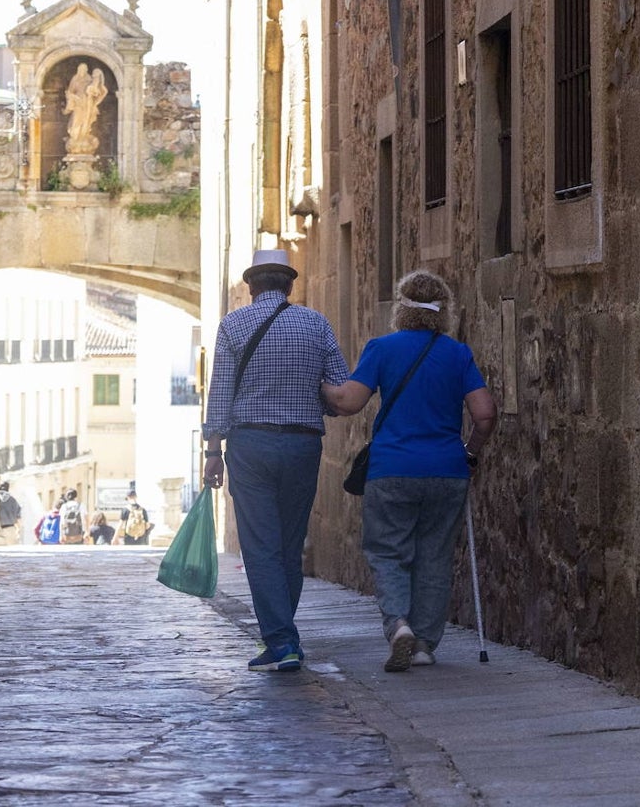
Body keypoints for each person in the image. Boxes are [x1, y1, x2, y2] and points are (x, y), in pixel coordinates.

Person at [322, 270, 497, 672]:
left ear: (401, 309)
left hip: (392, 469)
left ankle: (398, 624)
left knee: (388, 552)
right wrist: (470, 452)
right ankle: (423, 646)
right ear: (444, 312)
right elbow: (485, 414)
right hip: (447, 471)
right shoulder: (458, 353)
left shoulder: (382, 348)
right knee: (434, 556)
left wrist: (319, 385)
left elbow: (348, 402)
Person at [203, 248, 350, 672]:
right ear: (289, 286)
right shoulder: (315, 323)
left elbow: (220, 395)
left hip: (251, 446)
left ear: (251, 287)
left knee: (261, 547)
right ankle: (283, 634)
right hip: (303, 445)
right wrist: (307, 397)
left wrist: (214, 452)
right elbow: (339, 390)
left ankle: (282, 640)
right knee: (289, 544)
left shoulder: (232, 325)